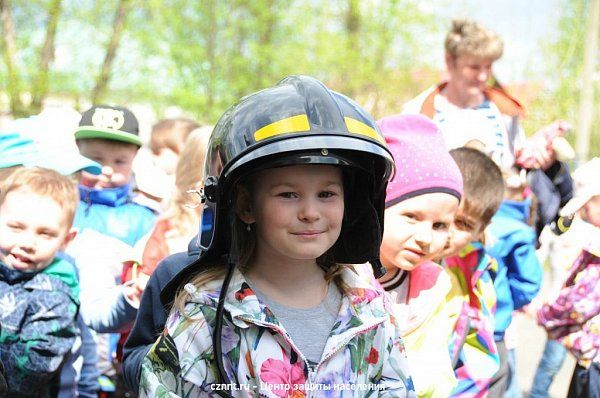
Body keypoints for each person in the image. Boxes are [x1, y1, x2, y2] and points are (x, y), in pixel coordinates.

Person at [138, 75, 415, 397]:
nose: (311, 212)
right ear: (244, 205)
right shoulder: (208, 316)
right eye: (288, 194)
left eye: (326, 194)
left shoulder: (370, 309)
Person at [375, 114, 463, 397]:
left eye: (440, 225)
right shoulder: (337, 276)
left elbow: (437, 368)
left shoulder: (437, 287)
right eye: (411, 216)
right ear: (375, 208)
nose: (426, 238)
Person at [0, 167, 80, 396]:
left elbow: (29, 370)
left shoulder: (55, 297)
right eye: (16, 227)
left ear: (66, 240)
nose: (27, 242)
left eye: (45, 233)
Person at [440, 147, 504, 397]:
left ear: (481, 231)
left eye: (463, 223)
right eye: (445, 214)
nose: (447, 230)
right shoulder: (392, 258)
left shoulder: (476, 280)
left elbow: (479, 357)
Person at [537, 157, 600, 398]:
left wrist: (545, 314)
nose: (583, 212)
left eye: (586, 205)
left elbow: (583, 300)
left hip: (593, 358)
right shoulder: (586, 230)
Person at [485, 166, 542, 396]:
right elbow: (529, 283)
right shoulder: (520, 232)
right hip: (498, 325)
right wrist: (508, 298)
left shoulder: (481, 223)